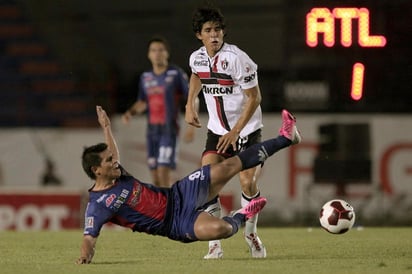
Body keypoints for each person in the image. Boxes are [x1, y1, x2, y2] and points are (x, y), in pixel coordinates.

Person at [76, 106, 300, 264]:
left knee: (227, 167)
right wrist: (85, 257)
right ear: (97, 171)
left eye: (112, 158)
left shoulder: (117, 173)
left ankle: (286, 137)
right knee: (220, 229)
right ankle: (243, 214)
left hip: (179, 193)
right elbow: (89, 238)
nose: (115, 161)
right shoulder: (98, 204)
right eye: (108, 161)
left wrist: (106, 127)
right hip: (175, 224)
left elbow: (113, 152)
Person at [185, 6, 294, 258]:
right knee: (208, 181)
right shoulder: (197, 57)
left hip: (246, 131)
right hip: (217, 132)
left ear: (223, 32)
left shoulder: (237, 58)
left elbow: (254, 97)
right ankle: (215, 243)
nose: (214, 35)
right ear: (199, 35)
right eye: (208, 31)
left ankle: (251, 233)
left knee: (248, 182)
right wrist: (189, 104)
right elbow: (195, 76)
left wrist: (236, 131)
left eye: (218, 30)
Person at [122, 36, 196, 188]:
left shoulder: (175, 74)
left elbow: (192, 97)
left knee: (164, 173)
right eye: (153, 50)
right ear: (149, 55)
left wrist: (191, 126)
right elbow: (143, 102)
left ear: (167, 53)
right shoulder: (145, 77)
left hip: (168, 131)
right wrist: (130, 112)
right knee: (155, 178)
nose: (157, 53)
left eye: (161, 50)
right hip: (152, 132)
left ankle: (169, 210)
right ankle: (165, 207)